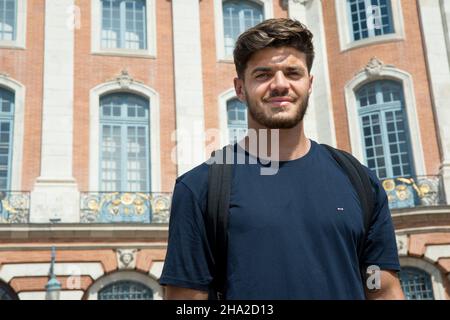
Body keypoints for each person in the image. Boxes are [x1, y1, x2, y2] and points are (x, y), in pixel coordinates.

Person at [159, 18, 404, 300]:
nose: (279, 85)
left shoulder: (360, 180)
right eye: (263, 75)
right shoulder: (200, 188)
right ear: (240, 88)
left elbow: (381, 288)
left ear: (309, 84)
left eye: (292, 73)